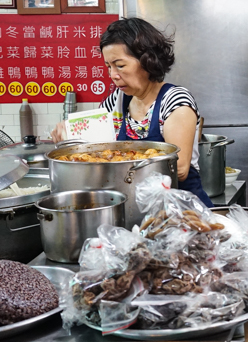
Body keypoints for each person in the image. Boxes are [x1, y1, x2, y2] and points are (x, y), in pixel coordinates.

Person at [51, 18, 213, 207]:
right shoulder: (117, 100)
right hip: (135, 209)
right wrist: (70, 140)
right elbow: (96, 149)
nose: (113, 75)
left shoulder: (175, 100)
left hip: (182, 211)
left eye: (120, 65)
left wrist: (120, 166)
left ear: (147, 61)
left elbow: (179, 168)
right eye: (108, 66)